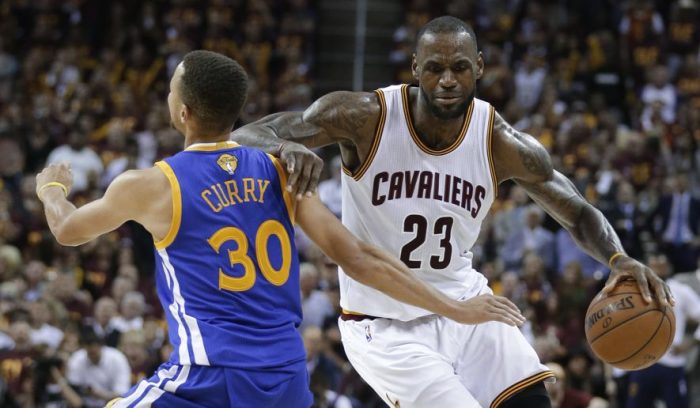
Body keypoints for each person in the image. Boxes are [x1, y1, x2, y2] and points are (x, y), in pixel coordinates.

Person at [36, 50, 524, 407]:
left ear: (181, 111)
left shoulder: (150, 184)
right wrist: (454, 308)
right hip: (288, 378)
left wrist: (51, 192)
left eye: (170, 89)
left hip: (211, 375)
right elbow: (360, 258)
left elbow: (68, 232)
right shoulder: (280, 171)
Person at [233, 16, 674, 408]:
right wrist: (283, 146)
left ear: (478, 67)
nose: (447, 80)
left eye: (459, 67)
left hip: (467, 306)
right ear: (415, 69)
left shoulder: (501, 142)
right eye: (435, 68)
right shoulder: (364, 117)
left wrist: (619, 258)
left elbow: (577, 212)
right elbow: (249, 134)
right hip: (384, 325)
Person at [626, 254, 700, 408]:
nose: (658, 266)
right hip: (641, 362)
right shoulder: (633, 290)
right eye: (654, 262)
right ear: (646, 266)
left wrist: (693, 342)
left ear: (669, 266)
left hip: (671, 361)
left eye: (662, 262)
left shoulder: (680, 290)